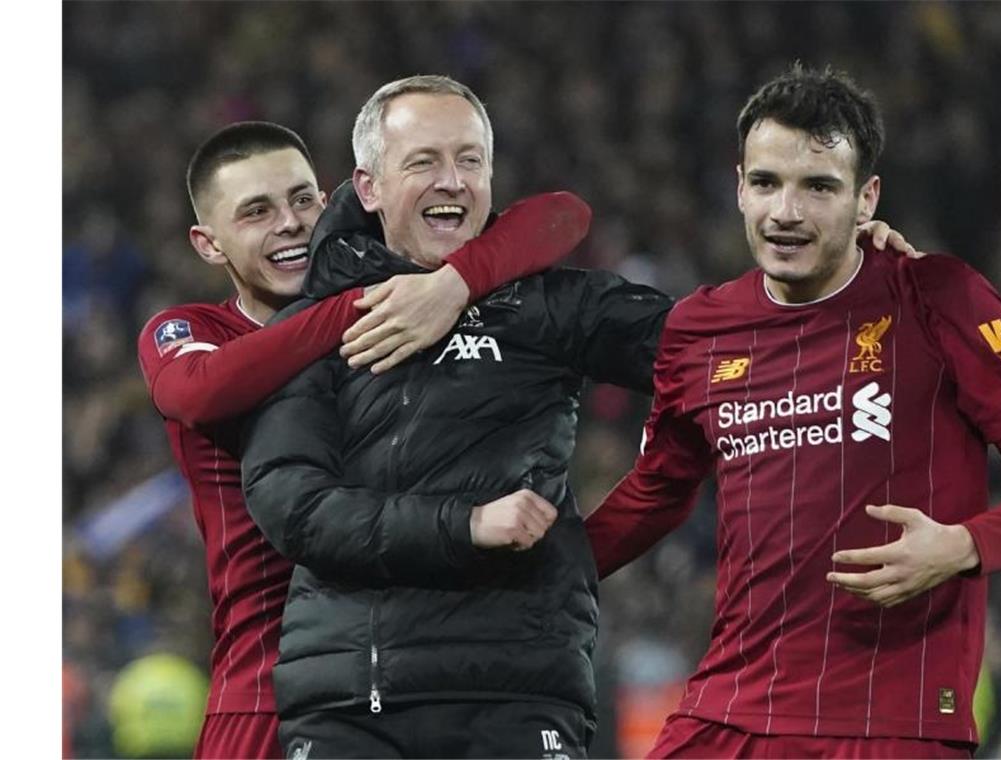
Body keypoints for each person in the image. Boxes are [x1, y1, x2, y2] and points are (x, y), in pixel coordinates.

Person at [240, 74, 917, 760]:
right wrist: (465, 526)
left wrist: (843, 275)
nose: (452, 182)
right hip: (355, 703)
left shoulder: (549, 307)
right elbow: (291, 505)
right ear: (369, 187)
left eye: (470, 161)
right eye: (423, 163)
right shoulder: (315, 327)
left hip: (518, 693)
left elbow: (718, 346)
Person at [584, 64, 1001, 759]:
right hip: (728, 714)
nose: (786, 211)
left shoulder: (939, 298)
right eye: (766, 183)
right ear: (738, 187)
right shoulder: (698, 328)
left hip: (890, 724)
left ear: (866, 197)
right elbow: (656, 492)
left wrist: (962, 547)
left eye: (819, 186)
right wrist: (546, 571)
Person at [137, 120, 593, 759]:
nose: (290, 223)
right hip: (264, 680)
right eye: (256, 212)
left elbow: (562, 215)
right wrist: (373, 303)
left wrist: (453, 283)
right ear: (209, 245)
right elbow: (198, 390)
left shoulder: (425, 301)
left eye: (302, 200)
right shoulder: (196, 329)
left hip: (395, 675)